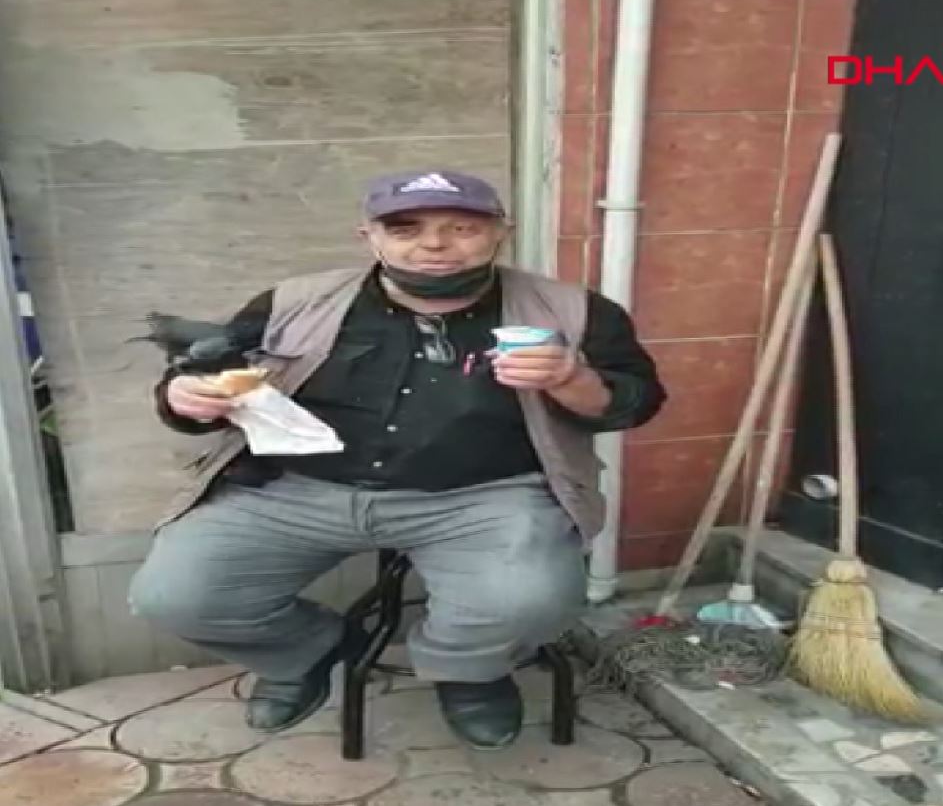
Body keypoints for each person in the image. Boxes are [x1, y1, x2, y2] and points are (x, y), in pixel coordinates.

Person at [129, 170, 666, 751]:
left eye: (461, 228)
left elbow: (635, 404)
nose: (434, 244)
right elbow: (207, 382)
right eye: (405, 228)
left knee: (533, 598)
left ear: (501, 233)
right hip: (295, 488)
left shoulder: (572, 310)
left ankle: (469, 670)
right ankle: (305, 653)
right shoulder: (294, 302)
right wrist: (184, 398)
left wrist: (571, 378)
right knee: (177, 596)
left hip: (486, 495)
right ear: (369, 236)